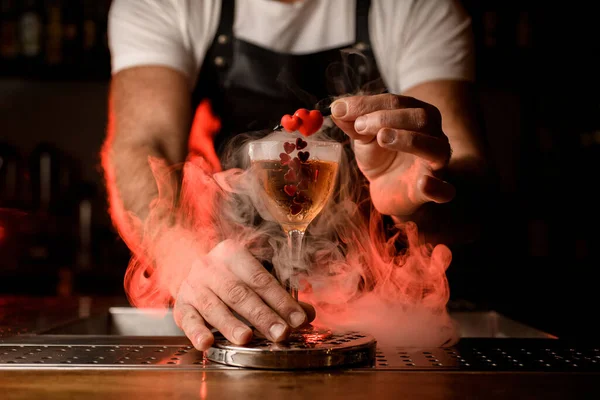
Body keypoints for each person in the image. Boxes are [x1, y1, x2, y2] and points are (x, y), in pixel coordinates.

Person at [101, 0, 490, 351]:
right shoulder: (165, 3)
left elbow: (472, 191)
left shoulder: (417, 7)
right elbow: (141, 146)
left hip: (391, 322)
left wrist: (419, 199)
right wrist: (184, 257)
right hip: (222, 310)